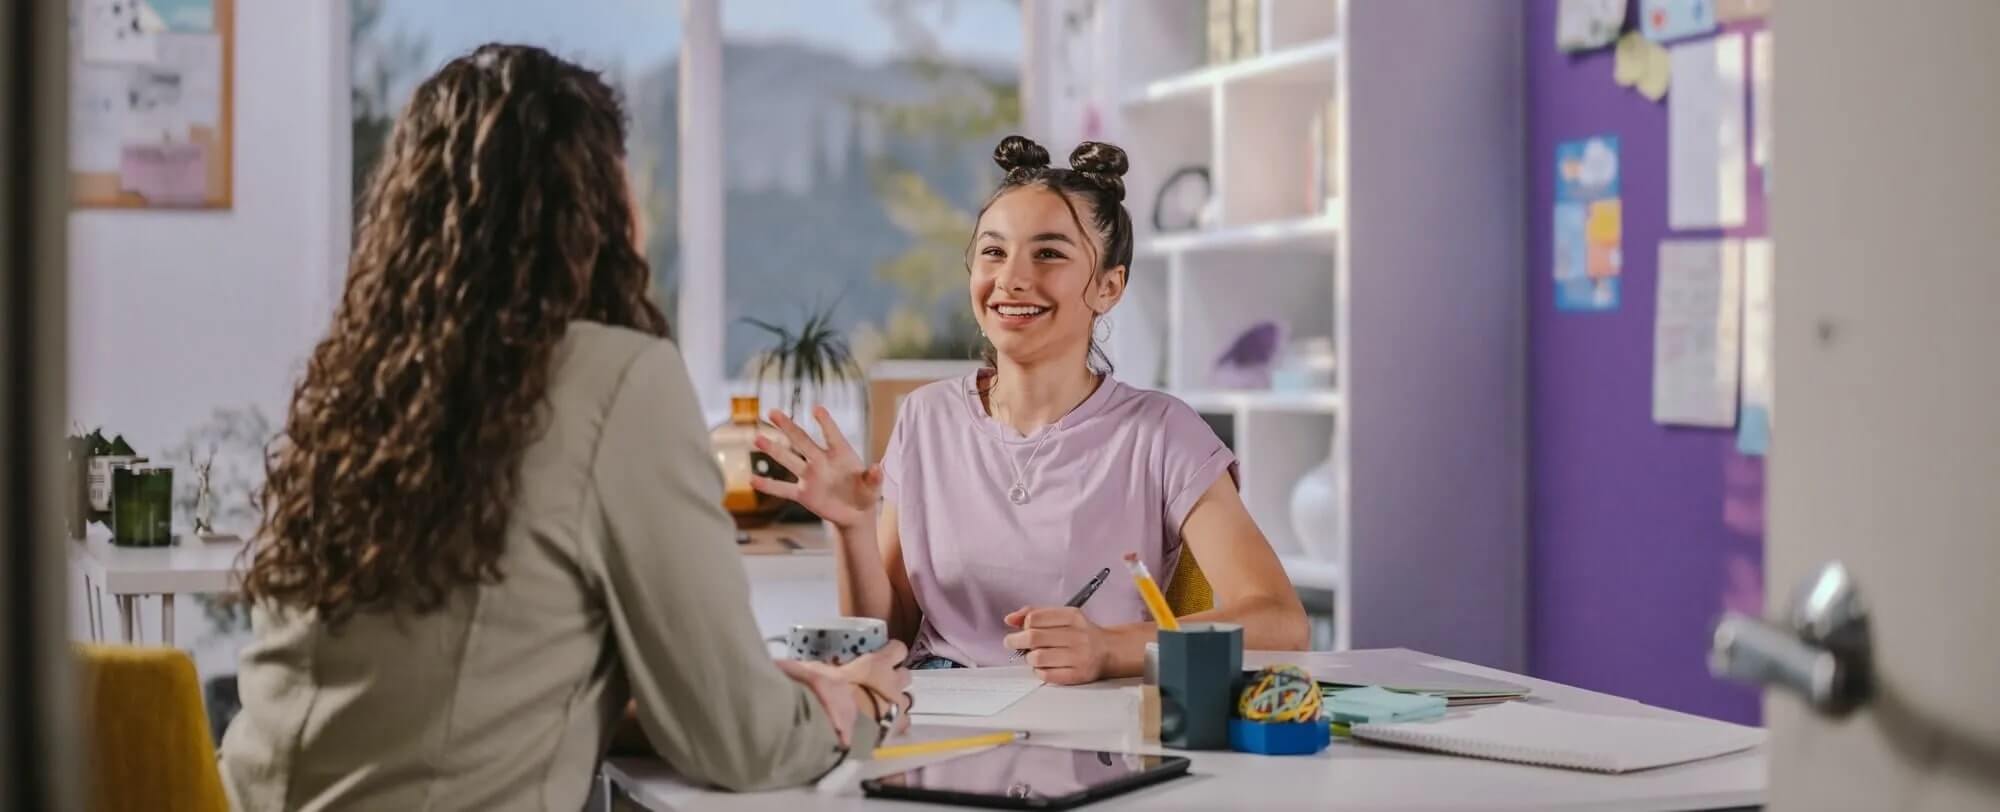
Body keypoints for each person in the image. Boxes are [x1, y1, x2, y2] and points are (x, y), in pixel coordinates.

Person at [217, 44, 908, 810]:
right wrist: (862, 707)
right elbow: (744, 743)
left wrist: (691, 703)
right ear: (598, 208)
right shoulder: (617, 379)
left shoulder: (365, 388)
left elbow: (460, 685)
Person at [753, 135, 1309, 685]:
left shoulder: (1163, 432)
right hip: (938, 721)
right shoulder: (926, 417)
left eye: (1048, 253)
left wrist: (1110, 648)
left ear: (1109, 287)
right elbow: (891, 633)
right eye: (993, 251)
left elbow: (1279, 621)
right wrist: (852, 527)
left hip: (1089, 730)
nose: (1011, 278)